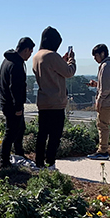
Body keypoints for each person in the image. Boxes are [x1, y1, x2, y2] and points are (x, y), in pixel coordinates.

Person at [32, 26, 76, 169]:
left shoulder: (37, 56)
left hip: (43, 101)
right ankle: (50, 162)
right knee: (55, 135)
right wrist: (71, 60)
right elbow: (69, 72)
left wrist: (60, 61)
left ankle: (39, 162)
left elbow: (52, 69)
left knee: (42, 134)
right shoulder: (51, 55)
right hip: (56, 101)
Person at [0, 37, 34, 168]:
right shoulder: (16, 65)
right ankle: (4, 162)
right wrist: (18, 107)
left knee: (19, 129)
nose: (30, 55)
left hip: (7, 102)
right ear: (25, 50)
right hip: (12, 105)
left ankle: (19, 153)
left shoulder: (7, 61)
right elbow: (16, 88)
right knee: (11, 132)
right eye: (30, 52)